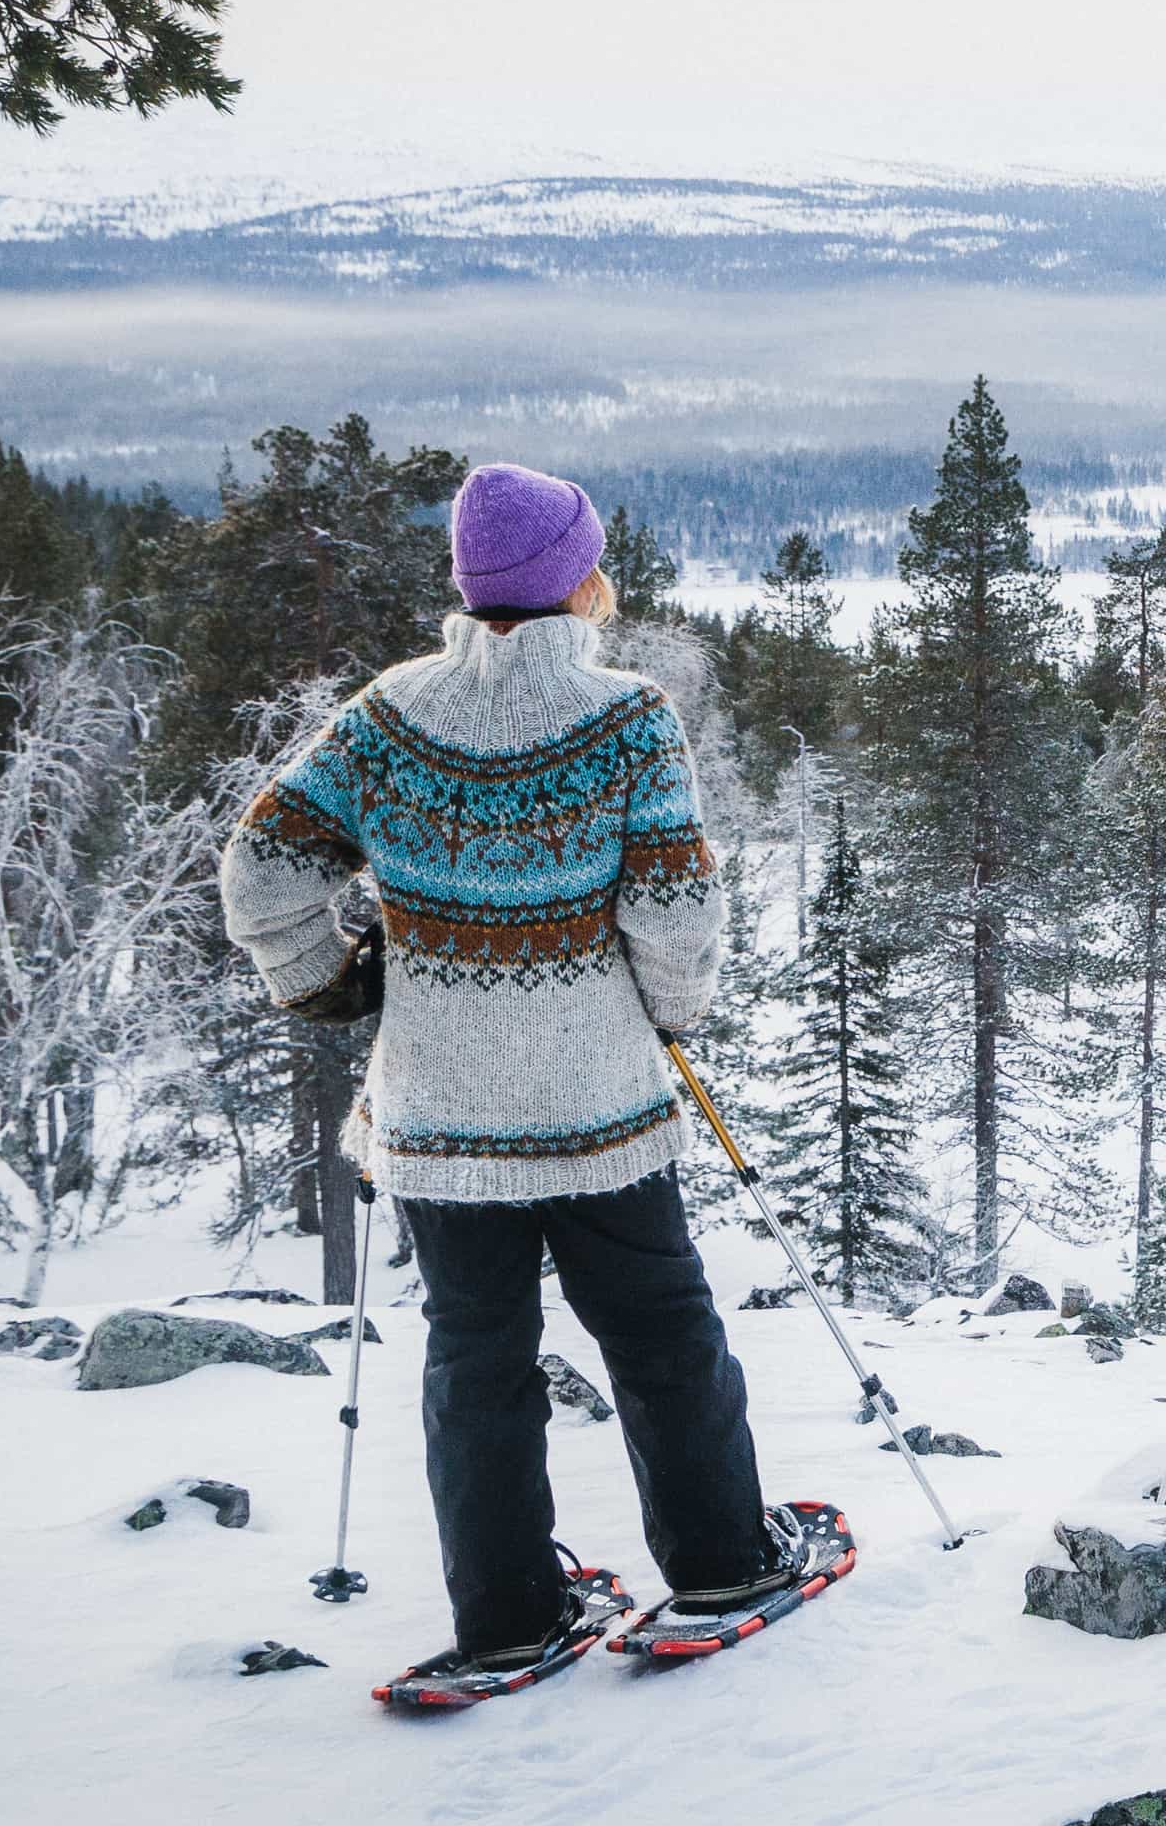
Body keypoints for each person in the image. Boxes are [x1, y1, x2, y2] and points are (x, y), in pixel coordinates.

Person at [220, 461, 828, 1700]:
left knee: (473, 1356)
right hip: (600, 1105)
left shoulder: (389, 714)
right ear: (575, 577)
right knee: (660, 1333)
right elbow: (674, 908)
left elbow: (260, 867)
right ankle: (719, 1562)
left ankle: (506, 1615)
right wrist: (669, 1015)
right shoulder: (626, 717)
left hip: (441, 1113)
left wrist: (324, 980)